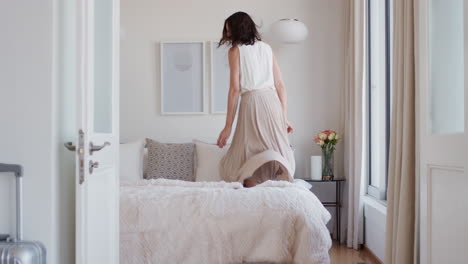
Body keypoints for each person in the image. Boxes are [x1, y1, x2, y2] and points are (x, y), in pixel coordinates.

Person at [217, 11, 296, 187]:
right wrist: (282, 116)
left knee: (250, 152)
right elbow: (280, 85)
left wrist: (227, 127)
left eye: (229, 30)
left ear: (237, 30)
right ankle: (271, 194)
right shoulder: (266, 48)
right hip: (272, 102)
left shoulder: (235, 51)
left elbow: (234, 89)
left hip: (252, 102)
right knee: (273, 150)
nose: (228, 34)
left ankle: (253, 195)